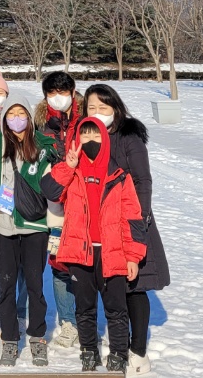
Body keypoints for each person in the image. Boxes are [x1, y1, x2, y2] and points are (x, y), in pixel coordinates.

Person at [41, 117, 146, 373]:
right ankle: (88, 350)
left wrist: (133, 256)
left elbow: (133, 218)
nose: (91, 142)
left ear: (106, 140)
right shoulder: (71, 173)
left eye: (96, 137)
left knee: (116, 309)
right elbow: (50, 191)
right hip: (80, 253)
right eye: (85, 137)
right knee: (84, 308)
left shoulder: (119, 176)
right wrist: (68, 165)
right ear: (77, 141)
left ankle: (119, 354)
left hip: (113, 255)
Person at [81, 85, 170, 377]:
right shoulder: (86, 134)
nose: (97, 114)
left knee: (135, 284)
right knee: (114, 284)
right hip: (99, 225)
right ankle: (119, 344)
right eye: (92, 108)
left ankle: (138, 350)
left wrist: (139, 221)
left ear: (116, 109)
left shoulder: (128, 136)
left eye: (103, 108)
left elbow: (143, 180)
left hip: (130, 220)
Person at [0, 101, 54, 367]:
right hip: (3, 226)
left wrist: (57, 228)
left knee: (35, 285)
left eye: (22, 114)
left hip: (35, 226)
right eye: (12, 114)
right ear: (4, 118)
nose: (17, 120)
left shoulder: (43, 148)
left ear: (30, 118)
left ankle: (37, 337)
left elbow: (53, 192)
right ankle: (9, 338)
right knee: (6, 285)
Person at [34, 70, 82, 349]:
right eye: (52, 93)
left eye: (63, 92)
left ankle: (85, 316)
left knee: (87, 263)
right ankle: (68, 321)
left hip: (85, 199)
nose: (58, 98)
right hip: (55, 203)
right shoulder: (41, 126)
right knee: (60, 262)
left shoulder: (87, 119)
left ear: (73, 92)